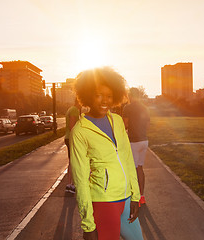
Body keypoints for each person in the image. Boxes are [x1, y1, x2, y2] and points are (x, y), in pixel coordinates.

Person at [70, 67, 144, 240]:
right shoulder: (80, 132)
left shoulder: (117, 121)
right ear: (87, 95)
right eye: (99, 95)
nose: (105, 101)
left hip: (126, 199)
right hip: (104, 202)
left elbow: (127, 159)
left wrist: (136, 196)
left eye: (109, 96)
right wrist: (88, 225)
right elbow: (80, 180)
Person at [122, 87, 150, 206]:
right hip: (144, 141)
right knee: (140, 168)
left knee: (131, 170)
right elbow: (148, 124)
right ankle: (141, 196)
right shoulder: (144, 107)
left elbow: (125, 125)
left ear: (130, 96)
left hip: (133, 142)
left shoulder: (127, 108)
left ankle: (134, 197)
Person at [64, 99, 81, 194]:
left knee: (71, 161)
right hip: (71, 138)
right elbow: (72, 126)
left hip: (68, 137)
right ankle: (71, 185)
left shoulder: (71, 109)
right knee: (73, 161)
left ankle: (69, 184)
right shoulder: (74, 110)